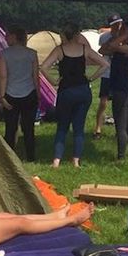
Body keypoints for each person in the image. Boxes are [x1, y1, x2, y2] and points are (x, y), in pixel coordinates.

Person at [41, 24, 109, 167]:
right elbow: (104, 64)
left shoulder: (60, 50)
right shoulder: (85, 49)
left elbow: (44, 67)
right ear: (77, 35)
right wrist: (91, 78)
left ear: (63, 36)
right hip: (83, 90)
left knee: (62, 127)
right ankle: (76, 160)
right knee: (79, 127)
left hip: (66, 90)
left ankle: (56, 160)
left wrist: (54, 81)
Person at [0, 25, 40, 162]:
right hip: (29, 93)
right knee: (28, 128)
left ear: (14, 37)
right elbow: (35, 76)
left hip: (10, 94)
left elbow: (3, 76)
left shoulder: (4, 54)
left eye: (8, 35)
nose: (6, 37)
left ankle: (9, 159)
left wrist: (2, 96)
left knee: (10, 128)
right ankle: (31, 157)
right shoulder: (32, 53)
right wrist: (38, 94)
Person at [100, 21, 128, 159]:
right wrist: (117, 35)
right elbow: (102, 50)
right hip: (121, 88)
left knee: (120, 124)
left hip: (122, 89)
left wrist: (124, 35)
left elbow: (112, 46)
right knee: (127, 123)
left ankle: (121, 156)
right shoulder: (121, 46)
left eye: (122, 30)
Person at [93, 14, 121, 137]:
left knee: (119, 103)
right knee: (103, 102)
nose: (117, 26)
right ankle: (98, 127)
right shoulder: (105, 37)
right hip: (107, 72)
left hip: (119, 73)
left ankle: (118, 129)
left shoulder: (124, 36)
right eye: (114, 25)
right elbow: (101, 51)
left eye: (118, 24)